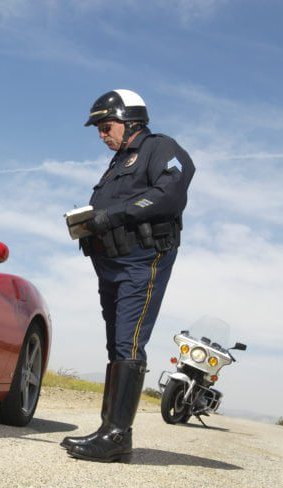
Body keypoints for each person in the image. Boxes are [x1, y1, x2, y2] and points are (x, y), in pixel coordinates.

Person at [61, 89, 195, 462]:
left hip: (142, 260)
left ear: (130, 120)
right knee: (116, 344)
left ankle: (117, 435)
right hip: (111, 263)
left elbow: (170, 192)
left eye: (106, 126)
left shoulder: (158, 147)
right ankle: (110, 430)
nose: (101, 135)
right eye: (98, 129)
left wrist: (113, 214)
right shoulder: (117, 163)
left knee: (128, 342)